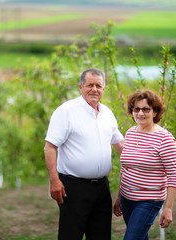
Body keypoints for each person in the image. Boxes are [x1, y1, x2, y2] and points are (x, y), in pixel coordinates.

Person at [44, 68, 124, 240]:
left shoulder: (107, 114)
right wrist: (54, 180)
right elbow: (49, 147)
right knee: (70, 236)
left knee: (101, 236)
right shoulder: (66, 111)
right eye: (90, 85)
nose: (94, 89)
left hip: (102, 188)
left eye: (99, 85)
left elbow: (119, 144)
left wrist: (147, 159)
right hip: (73, 188)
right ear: (80, 87)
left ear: (103, 88)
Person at [113, 89, 176, 240]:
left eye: (146, 109)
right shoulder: (130, 133)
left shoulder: (165, 139)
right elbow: (125, 169)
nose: (140, 113)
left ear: (155, 112)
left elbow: (173, 175)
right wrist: (119, 196)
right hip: (127, 199)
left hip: (148, 201)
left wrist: (168, 208)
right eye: (136, 109)